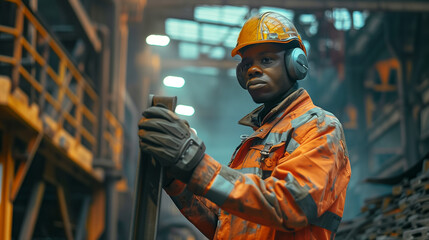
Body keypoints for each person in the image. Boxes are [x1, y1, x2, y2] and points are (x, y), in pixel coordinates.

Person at [138, 11, 351, 240]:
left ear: (295, 64)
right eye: (247, 63)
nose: (253, 69)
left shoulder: (320, 127)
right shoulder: (254, 143)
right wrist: (176, 177)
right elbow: (224, 224)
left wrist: (195, 164)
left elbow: (292, 204)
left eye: (266, 60)